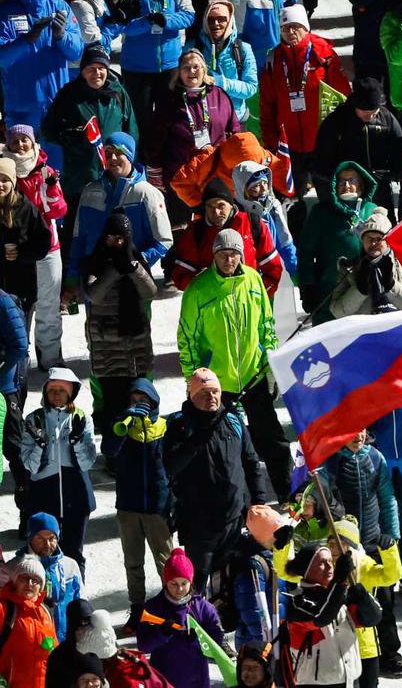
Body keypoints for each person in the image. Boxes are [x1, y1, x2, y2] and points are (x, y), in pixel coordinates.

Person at [178, 229, 289, 501]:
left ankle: (289, 492)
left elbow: (267, 325)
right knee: (225, 446)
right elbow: (187, 338)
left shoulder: (253, 280)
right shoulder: (199, 288)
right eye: (223, 254)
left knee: (272, 439)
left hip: (253, 375)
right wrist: (193, 381)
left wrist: (270, 363)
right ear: (214, 256)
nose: (229, 260)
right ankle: (234, 501)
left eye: (234, 254)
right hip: (218, 384)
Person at [164, 368, 269, 592]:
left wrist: (259, 499)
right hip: (198, 524)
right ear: (191, 396)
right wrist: (195, 441)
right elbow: (170, 466)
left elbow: (251, 463)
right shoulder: (179, 425)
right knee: (198, 585)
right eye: (204, 393)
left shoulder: (233, 421)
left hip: (234, 519)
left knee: (231, 584)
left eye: (215, 392)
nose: (211, 397)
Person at [41, 44, 137, 245]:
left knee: (114, 228)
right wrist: (71, 138)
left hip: (113, 174)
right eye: (91, 68)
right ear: (82, 71)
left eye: (101, 68)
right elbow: (49, 130)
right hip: (80, 174)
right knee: (76, 226)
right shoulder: (69, 95)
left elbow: (132, 129)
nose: (97, 73)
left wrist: (129, 159)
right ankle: (72, 271)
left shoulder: (118, 92)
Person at [81, 212, 157, 462]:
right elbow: (94, 294)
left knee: (137, 400)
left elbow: (149, 291)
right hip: (107, 345)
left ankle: (137, 450)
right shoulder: (95, 260)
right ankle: (114, 456)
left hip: (135, 345)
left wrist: (133, 268)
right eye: (111, 236)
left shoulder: (136, 259)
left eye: (121, 237)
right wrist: (114, 270)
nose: (115, 242)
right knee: (113, 403)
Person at [64, 132, 171, 295]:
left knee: (135, 321)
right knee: (96, 321)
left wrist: (137, 262)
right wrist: (72, 277)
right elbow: (79, 239)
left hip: (134, 280)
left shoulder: (146, 193)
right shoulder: (90, 191)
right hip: (96, 280)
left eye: (119, 152)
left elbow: (163, 240)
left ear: (130, 155)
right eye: (108, 152)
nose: (112, 158)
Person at [143, 50, 242, 224]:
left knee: (216, 221)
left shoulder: (219, 95)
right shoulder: (169, 100)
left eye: (196, 67)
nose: (192, 71)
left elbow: (234, 130)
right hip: (180, 176)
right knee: (181, 225)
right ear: (179, 72)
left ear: (204, 70)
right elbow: (156, 138)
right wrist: (154, 168)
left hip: (215, 173)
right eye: (186, 67)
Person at [259, 5, 352, 185]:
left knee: (328, 196)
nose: (290, 31)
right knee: (295, 203)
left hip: (322, 141)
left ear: (305, 27)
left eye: (295, 26)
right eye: (285, 28)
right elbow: (267, 106)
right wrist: (271, 142)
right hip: (289, 146)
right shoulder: (273, 60)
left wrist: (341, 136)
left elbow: (343, 97)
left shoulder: (324, 56)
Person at [109, 378, 173, 633]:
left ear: (153, 402)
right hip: (128, 507)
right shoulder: (122, 428)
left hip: (157, 508)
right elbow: (109, 451)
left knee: (166, 562)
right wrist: (124, 422)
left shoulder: (166, 428)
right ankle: (137, 610)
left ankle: (172, 607)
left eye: (143, 400)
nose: (139, 404)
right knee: (133, 562)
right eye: (134, 400)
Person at [113, 0, 196, 131]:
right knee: (140, 120)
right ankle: (141, 157)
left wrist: (166, 20)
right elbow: (124, 26)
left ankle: (163, 159)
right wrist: (147, 21)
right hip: (137, 67)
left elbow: (189, 15)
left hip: (169, 64)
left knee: (167, 118)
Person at [0, 0, 84, 147]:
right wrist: (26, 40)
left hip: (56, 105)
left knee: (55, 172)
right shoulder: (5, 11)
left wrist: (61, 36)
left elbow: (76, 52)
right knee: (23, 168)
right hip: (21, 108)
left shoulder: (60, 7)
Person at [3, 124, 66, 369]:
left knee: (49, 304)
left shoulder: (46, 171)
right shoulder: (4, 172)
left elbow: (59, 210)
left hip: (47, 246)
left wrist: (50, 187)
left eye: (24, 140)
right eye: (14, 141)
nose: (20, 145)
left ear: (33, 142)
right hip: (15, 251)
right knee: (19, 304)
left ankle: (50, 356)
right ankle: (19, 357)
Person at [20, 367, 94, 572]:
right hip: (44, 494)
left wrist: (77, 442)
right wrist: (39, 445)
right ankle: (42, 600)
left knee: (74, 553)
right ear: (45, 393)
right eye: (52, 390)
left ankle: (76, 600)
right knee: (42, 553)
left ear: (71, 392)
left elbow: (88, 463)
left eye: (62, 390)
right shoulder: (34, 419)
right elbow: (30, 466)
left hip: (76, 494)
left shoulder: (82, 417)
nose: (57, 395)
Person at [296, 161, 380, 324]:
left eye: (352, 180)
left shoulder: (371, 209)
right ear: (334, 185)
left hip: (364, 291)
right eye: (342, 181)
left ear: (361, 185)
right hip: (329, 292)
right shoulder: (320, 212)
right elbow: (305, 253)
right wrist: (307, 286)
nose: (347, 185)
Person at [279, 543, 372, 686]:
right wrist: (339, 582)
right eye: (322, 563)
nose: (329, 567)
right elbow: (321, 617)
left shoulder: (339, 594)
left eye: (330, 561)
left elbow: (372, 618)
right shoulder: (297, 603)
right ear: (307, 570)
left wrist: (362, 596)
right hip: (314, 684)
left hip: (350, 680)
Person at [170, 180, 283, 296]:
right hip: (213, 305)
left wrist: (257, 295)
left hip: (248, 299)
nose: (216, 212)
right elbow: (182, 275)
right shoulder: (196, 231)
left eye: (221, 205)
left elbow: (273, 268)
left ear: (231, 204)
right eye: (210, 206)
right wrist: (206, 292)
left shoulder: (251, 224)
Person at [314, 77, 402, 214]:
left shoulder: (386, 118)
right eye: (365, 112)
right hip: (347, 189)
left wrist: (392, 173)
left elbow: (399, 150)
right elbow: (321, 160)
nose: (370, 117)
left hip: (378, 188)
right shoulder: (336, 121)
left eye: (374, 112)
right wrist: (337, 180)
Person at [137, 548, 224, 688]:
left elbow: (217, 644)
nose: (180, 589)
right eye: (174, 584)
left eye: (184, 583)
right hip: (163, 679)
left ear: (191, 581)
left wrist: (199, 640)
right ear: (166, 582)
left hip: (196, 679)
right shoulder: (153, 608)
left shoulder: (203, 608)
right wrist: (162, 634)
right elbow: (144, 645)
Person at [0, 154, 51, 335]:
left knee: (19, 338)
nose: (0, 184)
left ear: (13, 181)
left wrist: (22, 254)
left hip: (22, 285)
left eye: (4, 180)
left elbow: (44, 242)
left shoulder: (26, 208)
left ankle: (21, 364)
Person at [14, 511, 83, 642]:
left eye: (52, 538)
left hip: (65, 639)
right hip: (31, 642)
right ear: (30, 538)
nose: (47, 544)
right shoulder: (16, 567)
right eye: (40, 538)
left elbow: (79, 601)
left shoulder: (70, 565)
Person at [329, 209, 402, 317]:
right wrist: (359, 290)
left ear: (388, 241)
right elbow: (337, 312)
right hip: (364, 330)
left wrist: (392, 286)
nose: (373, 243)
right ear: (362, 240)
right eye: (369, 238)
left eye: (378, 239)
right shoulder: (349, 268)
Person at [188, 0, 259, 126]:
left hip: (235, 120)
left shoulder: (243, 49)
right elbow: (182, 81)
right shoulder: (193, 48)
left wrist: (225, 84)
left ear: (230, 20)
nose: (215, 23)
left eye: (221, 19)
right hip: (203, 121)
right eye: (210, 19)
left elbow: (251, 87)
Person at [0, 555, 58, 686]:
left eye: (35, 580)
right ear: (15, 581)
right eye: (25, 578)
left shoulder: (46, 612)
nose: (30, 584)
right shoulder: (4, 610)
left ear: (41, 587)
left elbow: (55, 653)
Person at [232, 161, 297, 277]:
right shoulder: (236, 213)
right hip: (243, 275)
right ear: (243, 190)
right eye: (256, 186)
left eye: (265, 183)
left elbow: (284, 241)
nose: (263, 189)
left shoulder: (272, 208)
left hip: (268, 271)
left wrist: (294, 270)